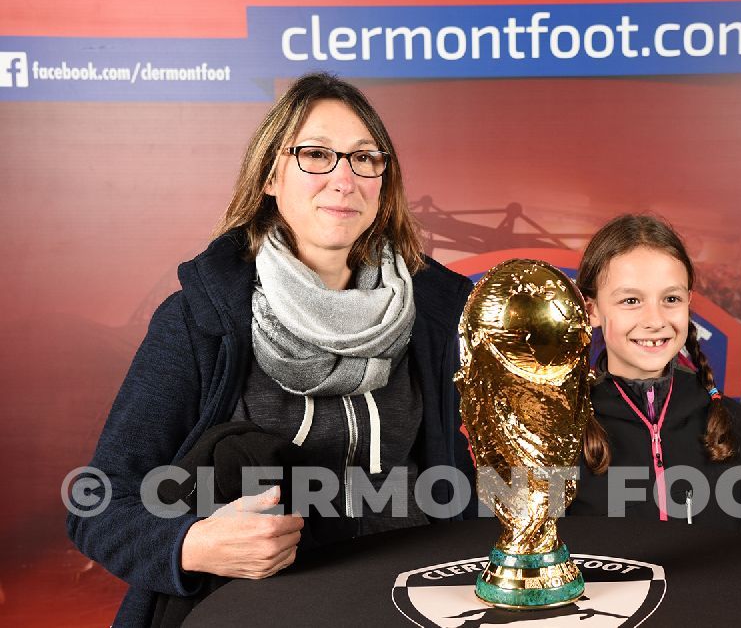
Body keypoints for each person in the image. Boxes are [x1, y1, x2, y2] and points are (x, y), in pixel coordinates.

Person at [66, 73, 475, 627]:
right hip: (255, 611)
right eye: (314, 155)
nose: (343, 179)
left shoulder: (434, 314)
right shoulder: (201, 319)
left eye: (364, 158)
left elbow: (454, 485)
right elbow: (98, 503)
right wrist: (194, 544)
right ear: (269, 176)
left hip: (401, 605)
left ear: (384, 181)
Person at [569, 214, 741, 546]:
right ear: (591, 310)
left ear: (689, 303)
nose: (655, 320)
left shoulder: (739, 429)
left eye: (671, 299)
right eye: (631, 301)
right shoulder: (559, 433)